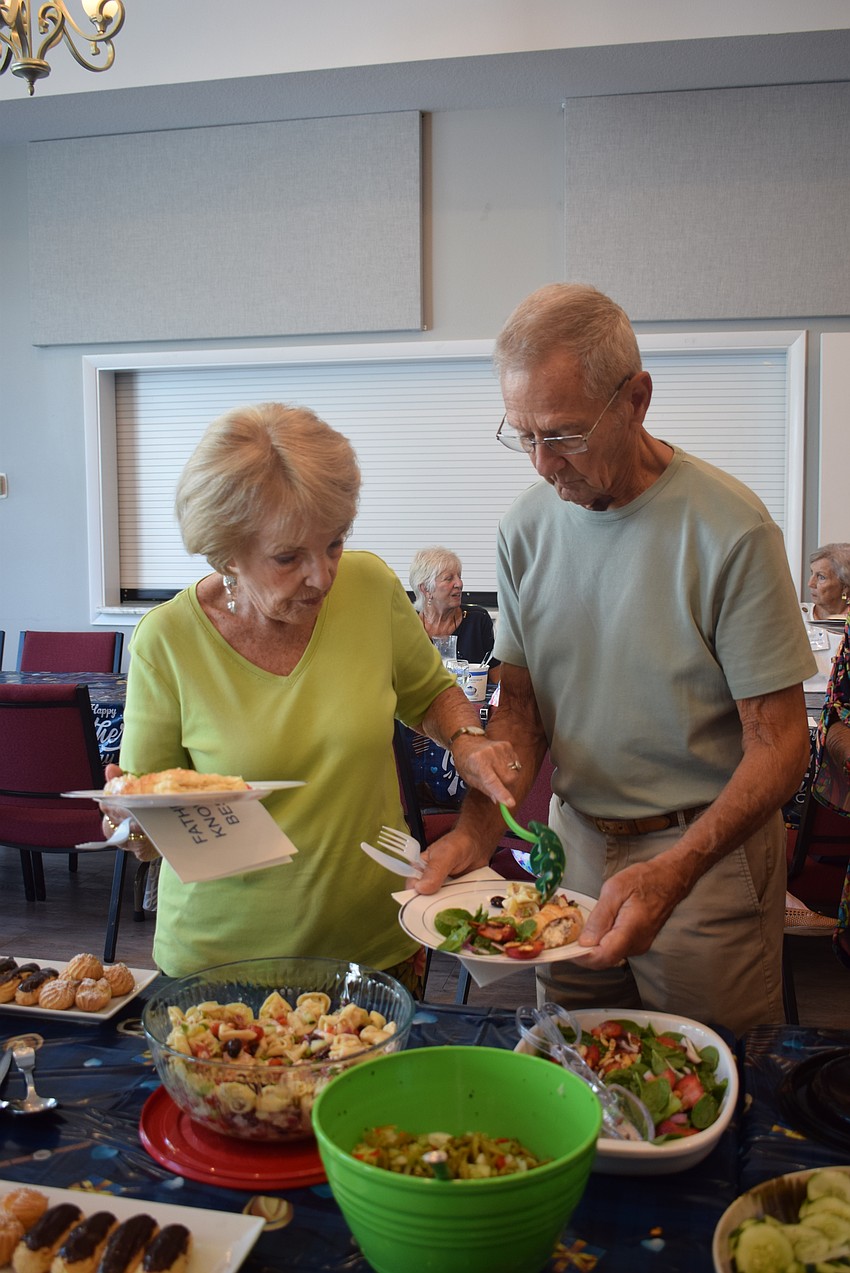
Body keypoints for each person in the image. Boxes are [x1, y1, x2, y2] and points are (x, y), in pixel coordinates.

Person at [416, 282, 816, 1034]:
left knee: (707, 1067)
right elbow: (523, 711)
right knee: (572, 1062)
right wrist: (476, 829)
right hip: (573, 849)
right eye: (523, 435)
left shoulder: (730, 530)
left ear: (636, 400)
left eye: (564, 434)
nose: (542, 464)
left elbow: (781, 745)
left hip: (704, 854)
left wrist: (678, 868)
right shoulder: (525, 529)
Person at [101, 402, 520, 989]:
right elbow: (151, 827)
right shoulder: (168, 640)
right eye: (288, 557)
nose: (322, 576)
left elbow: (429, 692)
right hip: (224, 964)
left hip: (375, 942)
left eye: (334, 544)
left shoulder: (371, 587)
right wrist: (132, 824)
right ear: (225, 551)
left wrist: (466, 737)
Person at [409, 546, 501, 678]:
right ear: (425, 589)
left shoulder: (477, 619)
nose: (459, 584)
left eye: (459, 577)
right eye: (448, 578)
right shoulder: (407, 623)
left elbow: (495, 675)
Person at [800, 543, 850, 692]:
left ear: (845, 586)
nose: (810, 583)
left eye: (821, 577)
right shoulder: (796, 618)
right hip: (801, 701)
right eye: (812, 573)